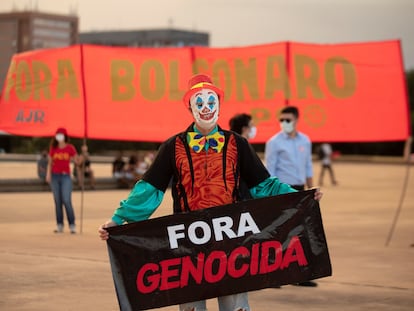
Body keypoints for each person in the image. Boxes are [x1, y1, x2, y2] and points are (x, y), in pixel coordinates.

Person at [99, 74, 323, 311]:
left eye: (211, 101)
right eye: (199, 103)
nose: (206, 108)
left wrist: (302, 198)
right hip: (188, 245)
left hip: (232, 243)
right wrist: (118, 220)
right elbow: (149, 189)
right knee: (192, 308)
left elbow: (264, 185)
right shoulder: (173, 146)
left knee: (234, 306)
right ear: (189, 107)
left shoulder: (238, 144)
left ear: (219, 104)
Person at [264, 106, 318, 287]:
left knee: (300, 231)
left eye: (287, 120)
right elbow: (270, 170)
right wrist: (270, 195)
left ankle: (299, 275)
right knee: (279, 231)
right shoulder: (274, 142)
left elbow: (308, 166)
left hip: (300, 190)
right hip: (282, 190)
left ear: (296, 119)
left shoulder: (305, 140)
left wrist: (311, 192)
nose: (284, 123)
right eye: (281, 120)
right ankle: (274, 274)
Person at [46, 127, 79, 234]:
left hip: (66, 176)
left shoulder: (70, 148)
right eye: (57, 134)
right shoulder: (53, 148)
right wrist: (48, 174)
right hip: (55, 176)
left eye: (61, 134)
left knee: (66, 200)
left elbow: (77, 161)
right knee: (57, 201)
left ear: (65, 136)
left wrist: (84, 152)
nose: (59, 136)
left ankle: (72, 224)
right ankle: (59, 224)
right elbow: (50, 163)